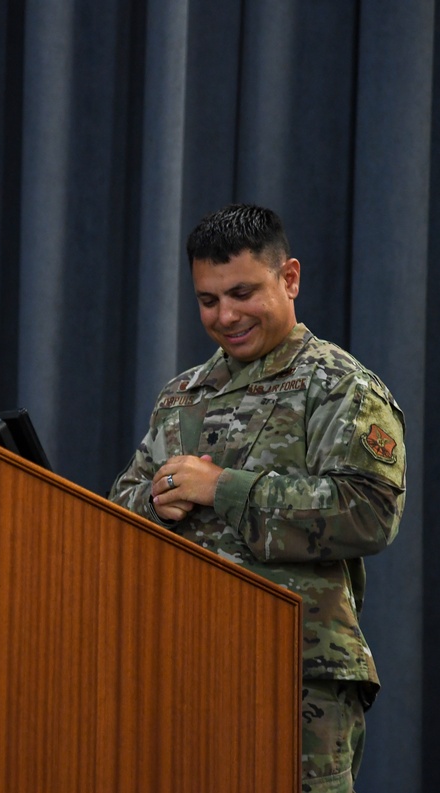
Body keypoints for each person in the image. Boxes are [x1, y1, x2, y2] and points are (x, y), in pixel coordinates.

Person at [108, 204, 405, 793]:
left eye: (243, 292)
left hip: (296, 674)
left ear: (289, 278)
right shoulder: (181, 396)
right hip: (177, 668)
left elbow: (370, 513)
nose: (225, 315)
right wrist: (153, 502)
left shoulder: (339, 384)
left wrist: (223, 489)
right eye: (208, 300)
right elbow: (117, 508)